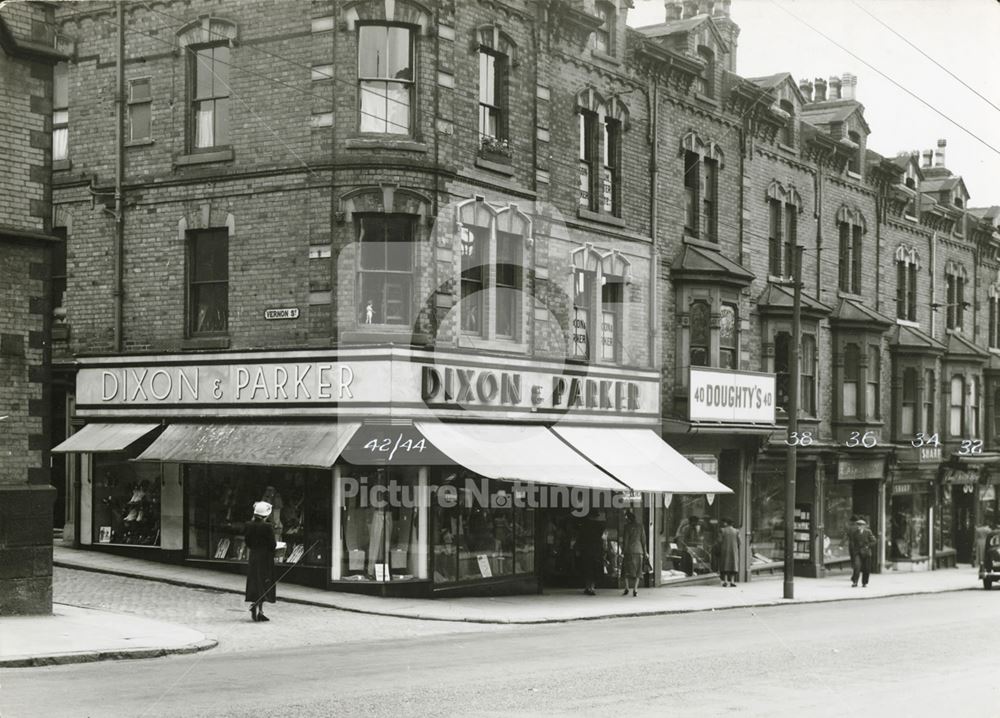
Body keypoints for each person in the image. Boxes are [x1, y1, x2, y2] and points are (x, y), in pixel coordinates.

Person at [245, 501, 277, 622]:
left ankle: (258, 608)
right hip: (265, 558)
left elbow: (247, 542)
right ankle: (259, 609)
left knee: (255, 581)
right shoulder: (267, 527)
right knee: (264, 582)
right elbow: (272, 544)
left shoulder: (249, 525)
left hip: (254, 556)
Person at [578, 508, 606, 595]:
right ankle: (592, 587)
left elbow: (581, 538)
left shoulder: (584, 525)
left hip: (587, 549)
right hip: (597, 549)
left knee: (587, 568)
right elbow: (603, 538)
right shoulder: (600, 526)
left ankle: (587, 587)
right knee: (595, 569)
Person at [621, 510, 648, 597]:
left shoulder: (627, 527)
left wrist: (623, 552)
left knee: (626, 570)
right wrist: (645, 552)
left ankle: (627, 587)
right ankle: (635, 589)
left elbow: (626, 540)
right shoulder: (640, 526)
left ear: (628, 519)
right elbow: (643, 540)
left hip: (629, 551)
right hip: (639, 551)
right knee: (638, 571)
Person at [848, 515, 876, 587]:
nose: (858, 526)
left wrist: (868, 546)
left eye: (860, 525)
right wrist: (854, 551)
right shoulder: (855, 533)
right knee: (857, 567)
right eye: (858, 525)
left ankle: (864, 582)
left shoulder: (868, 532)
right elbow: (853, 542)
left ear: (864, 526)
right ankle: (855, 582)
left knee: (866, 568)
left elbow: (874, 541)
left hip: (866, 552)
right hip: (857, 552)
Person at [718, 517, 740, 587]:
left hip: (725, 550)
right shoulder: (736, 531)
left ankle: (725, 581)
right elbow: (739, 542)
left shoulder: (722, 530)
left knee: (725, 565)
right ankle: (732, 581)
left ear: (726, 523)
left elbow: (720, 541)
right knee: (733, 566)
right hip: (734, 551)